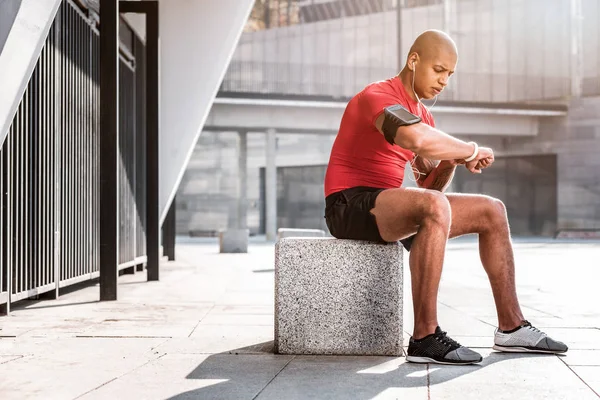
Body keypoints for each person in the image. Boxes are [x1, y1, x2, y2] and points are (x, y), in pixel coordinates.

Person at [323, 30, 568, 365]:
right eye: (438, 70)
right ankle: (425, 337)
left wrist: (451, 161)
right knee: (434, 207)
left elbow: (429, 189)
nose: (443, 81)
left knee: (491, 211)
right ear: (414, 60)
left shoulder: (424, 115)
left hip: (387, 205)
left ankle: (511, 328)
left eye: (449, 75)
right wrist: (469, 150)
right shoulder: (378, 96)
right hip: (347, 205)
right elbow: (416, 140)